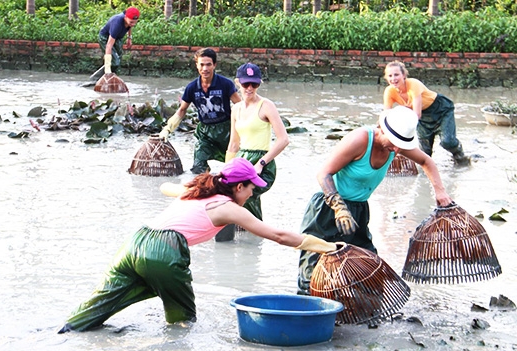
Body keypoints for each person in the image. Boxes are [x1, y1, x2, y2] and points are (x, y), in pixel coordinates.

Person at [57, 158, 339, 333]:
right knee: (183, 323)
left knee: (95, 309)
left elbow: (166, 188)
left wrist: (183, 190)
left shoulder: (197, 192)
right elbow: (277, 235)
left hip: (136, 241)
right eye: (252, 186)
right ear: (238, 187)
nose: (253, 191)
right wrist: (326, 247)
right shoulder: (228, 207)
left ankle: (63, 333)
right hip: (164, 251)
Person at [296, 106, 454, 295]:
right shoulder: (360, 140)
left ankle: (356, 313)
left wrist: (440, 192)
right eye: (394, 142)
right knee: (313, 271)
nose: (396, 150)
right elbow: (324, 174)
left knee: (369, 267)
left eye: (400, 145)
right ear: (381, 128)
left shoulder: (397, 146)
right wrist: (339, 207)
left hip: (359, 209)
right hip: (327, 208)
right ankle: (307, 313)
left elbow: (426, 161)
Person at [158, 48, 242, 174]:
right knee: (198, 167)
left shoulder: (225, 84)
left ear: (214, 65)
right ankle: (204, 189)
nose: (205, 69)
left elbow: (241, 106)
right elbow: (182, 110)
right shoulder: (192, 88)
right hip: (205, 133)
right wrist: (167, 129)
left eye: (208, 64)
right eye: (201, 64)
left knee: (235, 167)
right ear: (197, 65)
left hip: (227, 132)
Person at [225, 62, 289, 221]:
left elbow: (284, 140)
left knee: (248, 195)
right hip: (241, 160)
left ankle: (253, 233)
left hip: (262, 163)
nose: (249, 88)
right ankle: (250, 240)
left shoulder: (266, 106)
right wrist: (225, 170)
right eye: (246, 83)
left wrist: (261, 162)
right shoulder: (236, 109)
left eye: (254, 84)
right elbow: (233, 144)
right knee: (231, 197)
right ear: (237, 82)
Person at [383, 60, 470, 165]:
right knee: (424, 153)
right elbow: (386, 116)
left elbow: (416, 114)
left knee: (447, 142)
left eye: (396, 75)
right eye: (390, 76)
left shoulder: (413, 84)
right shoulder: (389, 91)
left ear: (404, 75)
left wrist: (404, 137)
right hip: (423, 118)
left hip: (440, 110)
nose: (393, 79)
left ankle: (460, 155)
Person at [98, 7, 139, 75]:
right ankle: (101, 76)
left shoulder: (129, 21)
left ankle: (114, 76)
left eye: (135, 22)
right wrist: (107, 69)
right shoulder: (117, 24)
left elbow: (129, 26)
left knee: (118, 59)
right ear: (125, 17)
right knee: (115, 61)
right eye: (131, 22)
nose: (133, 24)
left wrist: (129, 38)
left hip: (117, 38)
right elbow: (109, 45)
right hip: (105, 38)